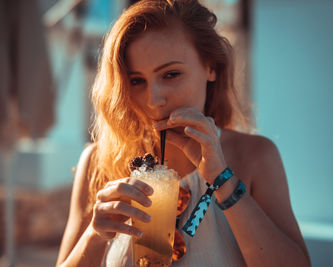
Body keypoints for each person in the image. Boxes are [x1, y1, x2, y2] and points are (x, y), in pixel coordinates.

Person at [56, 0, 310, 266]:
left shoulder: (254, 157)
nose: (153, 100)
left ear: (210, 67)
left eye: (171, 74)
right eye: (136, 81)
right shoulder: (100, 162)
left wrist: (222, 180)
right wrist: (95, 236)